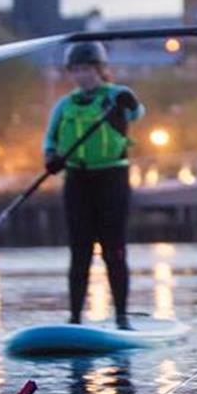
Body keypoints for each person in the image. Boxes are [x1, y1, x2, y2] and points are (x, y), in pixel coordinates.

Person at [44, 42, 144, 328]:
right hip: (77, 180)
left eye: (87, 69)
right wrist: (51, 158)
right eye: (76, 70)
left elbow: (137, 113)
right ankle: (75, 318)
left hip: (112, 179)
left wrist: (130, 102)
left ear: (99, 70)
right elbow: (49, 139)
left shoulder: (115, 97)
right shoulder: (65, 105)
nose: (82, 76)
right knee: (80, 252)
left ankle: (122, 317)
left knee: (114, 250)